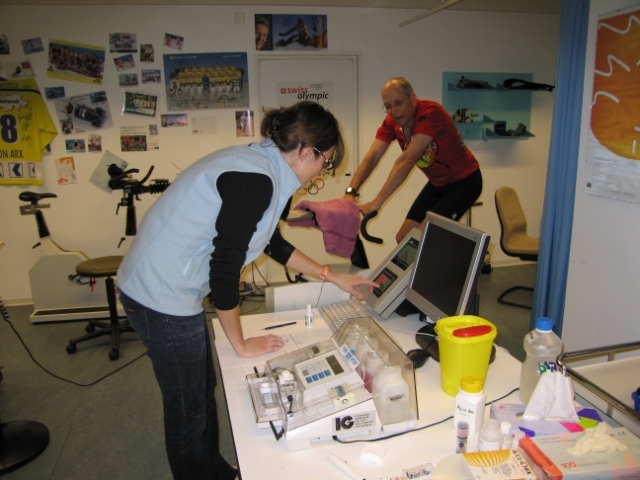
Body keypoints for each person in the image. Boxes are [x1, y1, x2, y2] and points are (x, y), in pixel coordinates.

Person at [117, 101, 376, 480]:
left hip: (167, 286)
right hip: (158, 294)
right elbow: (224, 271)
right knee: (188, 405)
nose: (323, 171)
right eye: (326, 162)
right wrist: (240, 343)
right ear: (307, 152)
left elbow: (271, 242)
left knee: (202, 389)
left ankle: (216, 471)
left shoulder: (266, 167)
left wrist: (333, 277)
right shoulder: (257, 179)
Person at [344, 77, 482, 243]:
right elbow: (372, 156)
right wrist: (350, 192)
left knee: (421, 240)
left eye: (398, 103)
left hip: (465, 182)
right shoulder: (392, 122)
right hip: (438, 184)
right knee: (404, 238)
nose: (394, 111)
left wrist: (377, 202)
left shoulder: (430, 113)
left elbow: (407, 160)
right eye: (388, 106)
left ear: (412, 98)